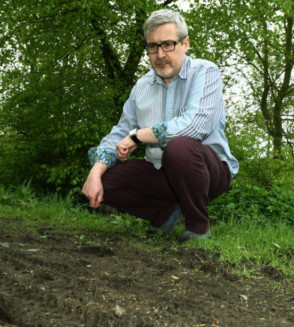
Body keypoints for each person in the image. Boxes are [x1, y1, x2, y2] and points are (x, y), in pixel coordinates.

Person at [82, 9, 239, 242]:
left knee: (179, 148)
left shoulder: (206, 72)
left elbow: (195, 126)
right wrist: (95, 171)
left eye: (168, 44)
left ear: (185, 44)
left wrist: (137, 136)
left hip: (207, 171)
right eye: (152, 46)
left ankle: (198, 227)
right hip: (160, 175)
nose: (159, 54)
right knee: (105, 180)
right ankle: (167, 214)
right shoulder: (142, 86)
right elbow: (120, 131)